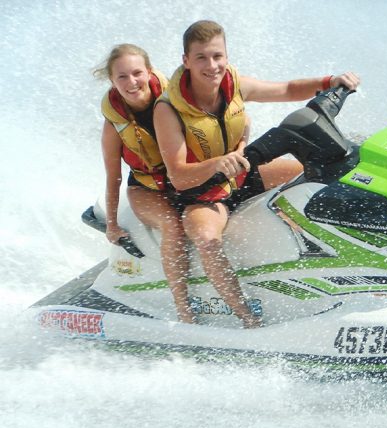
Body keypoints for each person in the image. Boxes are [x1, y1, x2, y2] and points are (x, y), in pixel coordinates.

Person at [154, 20, 360, 328]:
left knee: (324, 175)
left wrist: (331, 80)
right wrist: (216, 164)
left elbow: (287, 90)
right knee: (208, 239)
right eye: (201, 58)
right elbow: (179, 177)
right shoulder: (167, 109)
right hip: (200, 193)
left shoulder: (234, 83)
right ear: (186, 60)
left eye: (217, 56)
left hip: (241, 174)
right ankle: (248, 320)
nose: (212, 66)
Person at [93, 44, 194, 323]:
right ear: (112, 81)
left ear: (149, 72)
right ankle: (183, 309)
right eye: (121, 77)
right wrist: (112, 224)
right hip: (147, 187)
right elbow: (113, 175)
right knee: (171, 225)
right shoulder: (114, 122)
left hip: (188, 177)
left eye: (137, 73)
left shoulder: (176, 98)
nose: (131, 82)